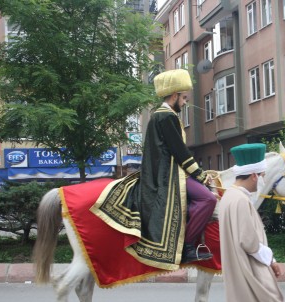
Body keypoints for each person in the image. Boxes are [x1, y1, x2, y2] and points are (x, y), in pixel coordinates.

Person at [91, 69, 215, 269]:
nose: (185, 102)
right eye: (183, 98)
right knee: (208, 199)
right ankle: (187, 246)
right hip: (169, 176)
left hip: (168, 171)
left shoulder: (161, 116)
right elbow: (180, 152)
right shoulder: (167, 117)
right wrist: (200, 175)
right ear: (174, 96)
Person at [218, 143, 285, 302]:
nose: (264, 179)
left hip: (238, 269)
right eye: (263, 175)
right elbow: (248, 241)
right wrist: (271, 260)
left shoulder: (229, 196)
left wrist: (271, 259)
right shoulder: (240, 199)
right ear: (255, 175)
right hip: (247, 270)